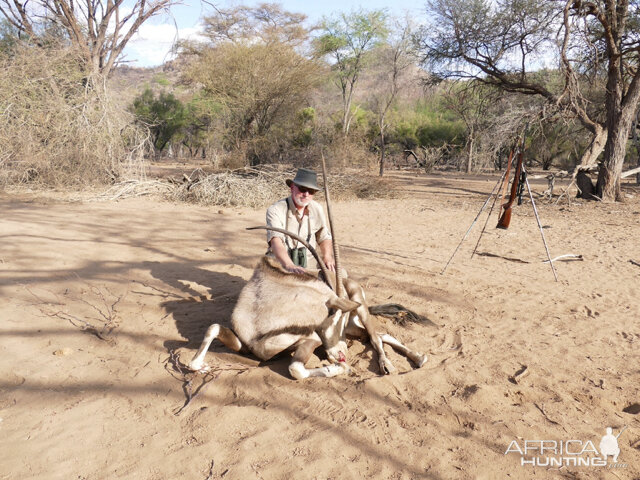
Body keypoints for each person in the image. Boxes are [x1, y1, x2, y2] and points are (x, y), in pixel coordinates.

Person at [265, 168, 336, 275]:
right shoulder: (275, 210)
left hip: (308, 263)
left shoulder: (317, 208)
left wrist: (327, 256)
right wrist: (289, 265)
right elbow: (276, 242)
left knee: (340, 276)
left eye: (311, 191)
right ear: (292, 187)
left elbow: (324, 236)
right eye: (302, 189)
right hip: (281, 263)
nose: (306, 194)